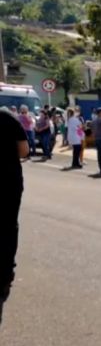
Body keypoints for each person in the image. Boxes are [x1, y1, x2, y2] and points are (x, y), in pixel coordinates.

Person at [0, 108, 29, 328]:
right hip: (8, 182)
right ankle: (5, 273)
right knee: (9, 227)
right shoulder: (8, 119)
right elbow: (24, 151)